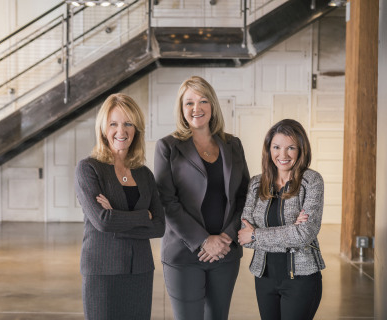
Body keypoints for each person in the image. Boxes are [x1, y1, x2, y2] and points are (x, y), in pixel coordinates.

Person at [154, 76, 250, 320]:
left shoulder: (233, 144)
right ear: (181, 109)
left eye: (203, 101)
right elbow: (167, 201)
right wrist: (204, 240)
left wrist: (226, 237)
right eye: (189, 103)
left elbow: (244, 196)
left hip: (225, 252)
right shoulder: (168, 147)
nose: (196, 108)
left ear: (212, 105)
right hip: (184, 254)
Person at [74, 93, 165, 320]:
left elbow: (160, 227)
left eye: (128, 124)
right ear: (103, 128)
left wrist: (117, 216)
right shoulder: (89, 169)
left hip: (140, 271)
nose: (121, 131)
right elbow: (103, 222)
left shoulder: (144, 174)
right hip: (102, 271)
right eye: (113, 124)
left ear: (137, 130)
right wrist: (144, 215)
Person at [238, 119, 325, 320]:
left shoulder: (311, 182)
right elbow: (243, 237)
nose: (282, 155)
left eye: (291, 148)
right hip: (264, 277)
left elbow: (304, 235)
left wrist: (256, 234)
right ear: (269, 150)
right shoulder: (256, 184)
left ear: (301, 150)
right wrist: (289, 231)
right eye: (276, 147)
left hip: (301, 279)